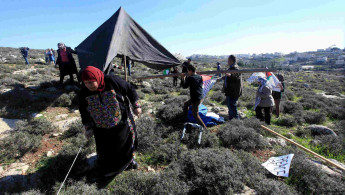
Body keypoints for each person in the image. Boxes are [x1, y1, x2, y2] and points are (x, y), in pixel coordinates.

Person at [79, 66, 142, 177]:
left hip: (120, 121)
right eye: (86, 83)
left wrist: (136, 106)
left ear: (97, 78)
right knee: (106, 148)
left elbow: (130, 89)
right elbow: (83, 110)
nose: (88, 86)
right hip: (100, 126)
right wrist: (88, 127)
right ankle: (108, 167)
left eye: (91, 82)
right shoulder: (84, 91)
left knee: (124, 144)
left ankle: (129, 162)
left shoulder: (112, 81)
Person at [181, 64, 207, 129]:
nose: (187, 72)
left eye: (188, 71)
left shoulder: (190, 78)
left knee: (195, 115)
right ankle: (185, 119)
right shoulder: (199, 76)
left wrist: (183, 78)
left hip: (195, 98)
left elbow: (184, 86)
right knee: (186, 104)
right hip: (200, 96)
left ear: (190, 71)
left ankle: (205, 129)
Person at [222, 55, 242, 120]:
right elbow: (230, 77)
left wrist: (230, 75)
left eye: (228, 60)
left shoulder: (235, 68)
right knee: (229, 104)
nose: (227, 61)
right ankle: (231, 118)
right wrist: (225, 77)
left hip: (233, 90)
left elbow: (236, 77)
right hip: (230, 90)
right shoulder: (231, 67)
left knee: (232, 105)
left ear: (231, 60)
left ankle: (236, 119)